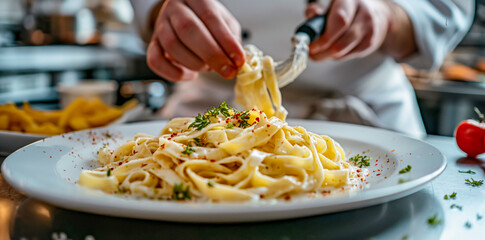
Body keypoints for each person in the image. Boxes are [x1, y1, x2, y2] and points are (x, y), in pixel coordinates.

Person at [131, 0, 474, 139]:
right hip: (205, 113)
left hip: (369, 118)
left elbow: (449, 9)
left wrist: (389, 16)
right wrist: (165, 11)